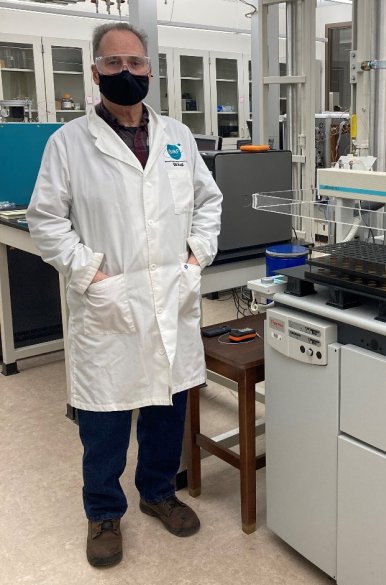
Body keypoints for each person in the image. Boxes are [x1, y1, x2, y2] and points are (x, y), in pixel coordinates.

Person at [27, 22, 223, 568]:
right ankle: (103, 512)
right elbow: (46, 220)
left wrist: (195, 256)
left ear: (150, 71)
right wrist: (87, 271)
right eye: (113, 64)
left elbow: (209, 202)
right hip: (109, 300)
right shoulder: (68, 143)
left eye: (134, 63)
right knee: (106, 416)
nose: (125, 73)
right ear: (95, 73)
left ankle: (158, 492)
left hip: (170, 296)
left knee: (167, 404)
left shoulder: (179, 139)